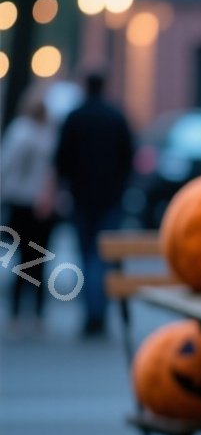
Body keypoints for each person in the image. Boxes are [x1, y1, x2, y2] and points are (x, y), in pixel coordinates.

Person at [54, 73, 136, 337]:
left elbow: (61, 158)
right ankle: (98, 313)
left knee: (86, 253)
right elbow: (129, 157)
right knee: (103, 256)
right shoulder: (116, 117)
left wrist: (66, 186)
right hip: (110, 197)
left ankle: (91, 314)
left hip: (81, 197)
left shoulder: (75, 117)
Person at [1, 89, 58, 328]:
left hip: (20, 201)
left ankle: (16, 312)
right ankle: (36, 312)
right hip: (43, 204)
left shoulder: (19, 131)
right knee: (39, 258)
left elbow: (6, 166)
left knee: (21, 256)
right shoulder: (50, 135)